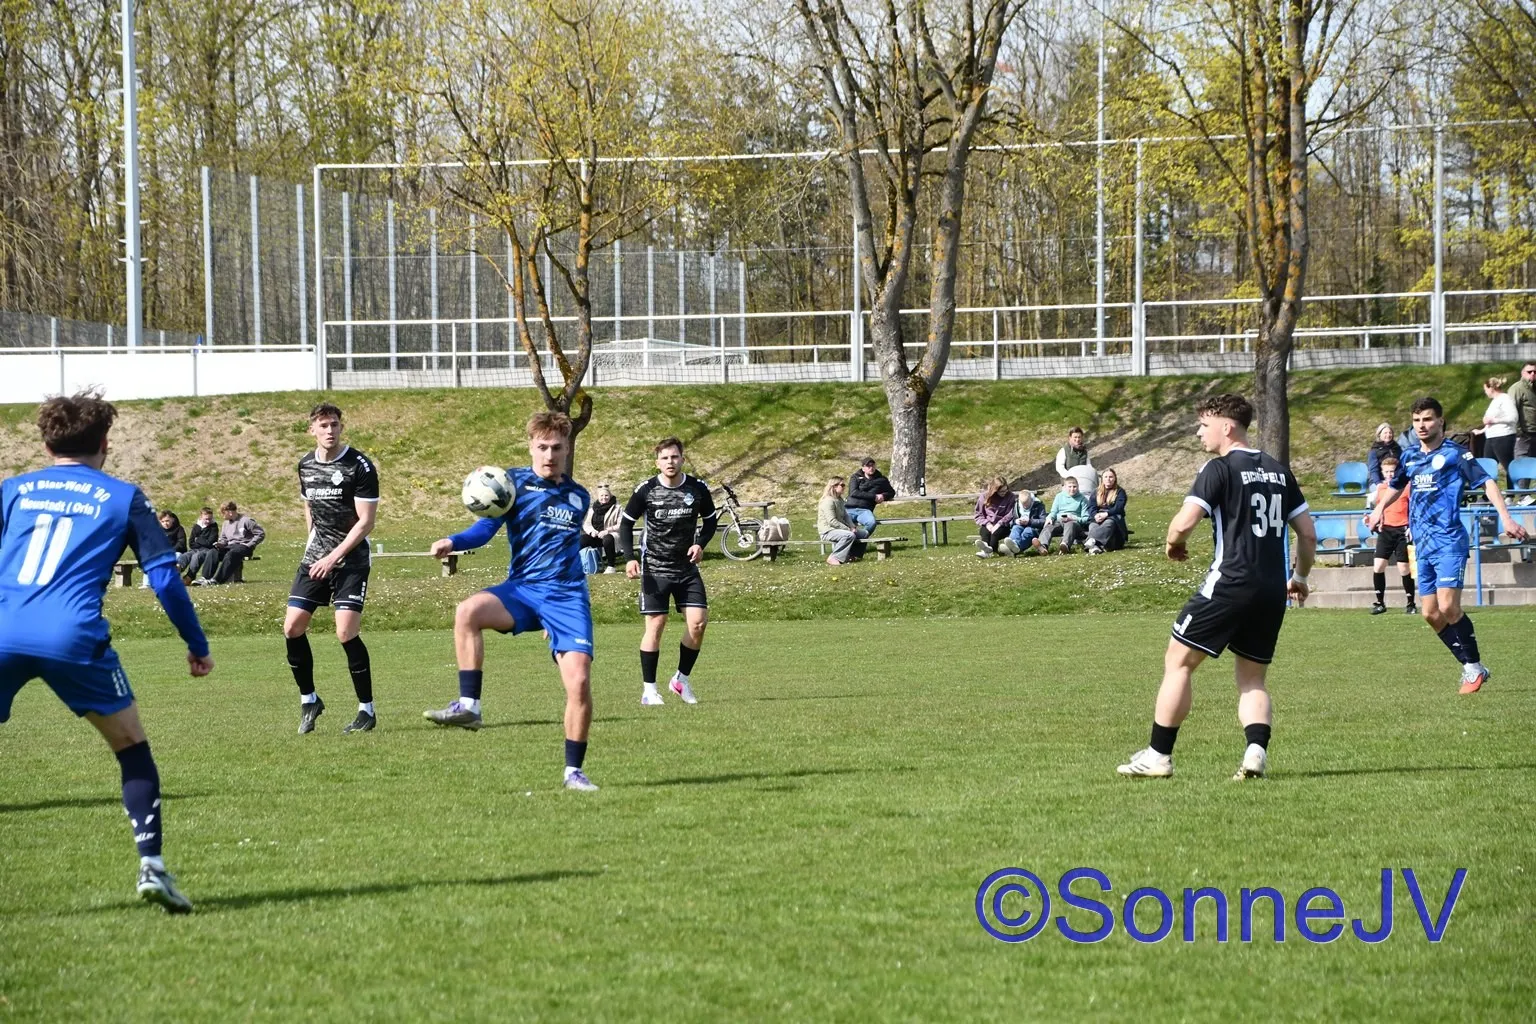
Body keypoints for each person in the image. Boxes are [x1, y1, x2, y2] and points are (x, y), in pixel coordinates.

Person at [0, 393, 213, 912]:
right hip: (72, 635)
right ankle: (152, 866)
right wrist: (197, 644)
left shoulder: (13, 490)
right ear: (105, 443)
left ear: (46, 444)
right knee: (130, 744)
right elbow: (164, 578)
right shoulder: (122, 497)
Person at [1118, 393, 1315, 781]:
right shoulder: (1280, 472)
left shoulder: (1219, 468)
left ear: (1227, 427)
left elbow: (1183, 523)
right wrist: (1300, 578)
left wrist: (1173, 544)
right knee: (1252, 679)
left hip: (1229, 583)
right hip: (1271, 591)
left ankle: (1159, 755)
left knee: (1178, 662)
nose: (1198, 432)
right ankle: (1255, 752)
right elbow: (1308, 535)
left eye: (1204, 425)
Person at [423, 411, 598, 792]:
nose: (549, 455)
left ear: (567, 449)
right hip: (522, 590)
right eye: (542, 447)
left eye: (557, 448)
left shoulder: (579, 496)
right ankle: (469, 705)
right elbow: (485, 529)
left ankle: (574, 772)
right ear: (530, 446)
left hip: (566, 598)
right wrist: (453, 541)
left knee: (580, 683)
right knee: (467, 611)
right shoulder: (512, 484)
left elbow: (565, 548)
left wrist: (551, 622)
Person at [1369, 396, 1528, 694]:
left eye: (1428, 419)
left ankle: (1473, 668)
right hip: (1423, 544)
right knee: (1430, 613)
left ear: (1440, 421)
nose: (1422, 425)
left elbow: (1487, 482)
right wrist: (1379, 509)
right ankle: (1473, 667)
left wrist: (1506, 518)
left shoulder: (1456, 454)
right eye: (1417, 420)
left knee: (1447, 606)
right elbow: (1396, 486)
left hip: (1449, 541)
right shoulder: (1410, 456)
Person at [282, 403, 381, 735]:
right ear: (311, 429)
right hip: (316, 557)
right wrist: (313, 543)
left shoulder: (359, 466)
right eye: (323, 425)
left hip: (351, 560)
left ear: (341, 427)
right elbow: (309, 506)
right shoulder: (305, 465)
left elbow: (366, 522)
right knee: (292, 627)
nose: (329, 430)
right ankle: (309, 700)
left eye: (334, 424)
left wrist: (333, 557)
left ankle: (366, 710)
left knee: (345, 633)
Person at [619, 437, 720, 707]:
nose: (670, 462)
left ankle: (680, 680)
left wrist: (700, 544)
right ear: (657, 463)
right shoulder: (646, 490)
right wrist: (629, 558)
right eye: (665, 458)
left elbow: (710, 521)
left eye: (674, 457)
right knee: (656, 624)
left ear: (682, 459)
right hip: (655, 568)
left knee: (698, 624)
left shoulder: (697, 488)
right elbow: (626, 524)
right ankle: (649, 690)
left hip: (686, 568)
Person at [1365, 454, 1414, 615]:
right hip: (1386, 530)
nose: (1389, 474)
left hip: (1402, 529)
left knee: (1404, 568)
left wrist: (1411, 526)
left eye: (1392, 471)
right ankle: (1380, 602)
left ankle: (1410, 603)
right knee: (1378, 566)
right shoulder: (1381, 489)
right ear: (1382, 472)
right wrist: (1372, 519)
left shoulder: (1406, 486)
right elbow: (1379, 508)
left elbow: (1413, 508)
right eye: (1386, 472)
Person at [1474, 376, 1518, 488]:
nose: (1485, 392)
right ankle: (1488, 493)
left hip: (1503, 436)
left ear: (1491, 388)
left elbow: (1513, 417)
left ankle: (1513, 492)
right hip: (1491, 437)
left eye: (1485, 389)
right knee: (1487, 466)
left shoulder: (1505, 399)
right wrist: (1482, 430)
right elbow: (1489, 423)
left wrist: (1494, 420)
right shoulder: (1494, 401)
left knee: (1508, 465)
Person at [207, 501, 264, 584]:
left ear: (230, 512)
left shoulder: (246, 521)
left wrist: (249, 545)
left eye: (223, 513)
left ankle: (217, 580)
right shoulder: (225, 524)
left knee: (231, 554)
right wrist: (220, 544)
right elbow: (224, 539)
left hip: (243, 547)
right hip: (230, 547)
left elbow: (260, 534)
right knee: (213, 552)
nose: (222, 515)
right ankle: (206, 578)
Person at [818, 477, 867, 566]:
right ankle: (834, 557)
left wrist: (852, 526)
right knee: (849, 535)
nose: (844, 487)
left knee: (864, 534)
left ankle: (851, 556)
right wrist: (848, 529)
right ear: (834, 486)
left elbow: (845, 515)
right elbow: (832, 521)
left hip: (838, 529)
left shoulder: (839, 500)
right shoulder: (828, 501)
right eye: (842, 485)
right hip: (828, 531)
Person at [845, 457, 895, 535]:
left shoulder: (881, 480)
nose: (871, 468)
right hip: (849, 509)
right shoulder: (855, 477)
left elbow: (891, 492)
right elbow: (853, 492)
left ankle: (860, 538)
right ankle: (850, 539)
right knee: (841, 523)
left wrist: (883, 496)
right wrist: (874, 496)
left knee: (871, 523)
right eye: (868, 466)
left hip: (865, 510)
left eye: (873, 465)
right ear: (863, 468)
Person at [1041, 476, 1091, 553]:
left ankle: (1065, 545)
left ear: (1078, 487)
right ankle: (1043, 546)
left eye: (1074, 487)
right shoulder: (1059, 496)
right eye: (1069, 487)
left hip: (1074, 523)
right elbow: (1053, 511)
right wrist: (1050, 517)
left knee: (1070, 524)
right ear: (1065, 487)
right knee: (1049, 526)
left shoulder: (1082, 499)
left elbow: (1085, 518)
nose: (1072, 489)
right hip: (1059, 521)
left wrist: (1073, 518)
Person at [1085, 468, 1129, 554]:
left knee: (1108, 523)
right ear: (1102, 479)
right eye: (1106, 477)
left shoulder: (1120, 492)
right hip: (1098, 517)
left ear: (1115, 478)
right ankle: (1096, 547)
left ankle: (1092, 542)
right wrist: (1095, 515)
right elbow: (1091, 507)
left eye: (1111, 477)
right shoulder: (1096, 492)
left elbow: (1119, 507)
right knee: (1093, 525)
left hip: (1113, 517)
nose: (1108, 479)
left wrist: (1106, 514)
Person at [581, 483, 621, 572]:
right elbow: (586, 524)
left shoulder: (617, 508)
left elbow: (621, 524)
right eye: (601, 495)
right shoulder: (592, 509)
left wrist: (607, 531)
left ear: (610, 496)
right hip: (596, 535)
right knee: (581, 540)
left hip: (611, 535)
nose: (604, 497)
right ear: (598, 497)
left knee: (607, 539)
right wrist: (592, 531)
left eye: (606, 495)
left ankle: (611, 566)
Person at [972, 475, 1015, 558]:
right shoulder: (984, 496)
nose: (1004, 493)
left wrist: (999, 524)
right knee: (985, 532)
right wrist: (987, 524)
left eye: (1005, 490)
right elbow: (978, 514)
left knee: (995, 532)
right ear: (995, 490)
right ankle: (986, 549)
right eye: (1001, 491)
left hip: (1004, 525)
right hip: (988, 523)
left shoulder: (1010, 497)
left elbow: (1010, 514)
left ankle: (989, 551)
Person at [146, 510, 187, 589]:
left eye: (167, 521)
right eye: (163, 521)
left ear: (172, 519)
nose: (165, 523)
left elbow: (181, 543)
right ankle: (147, 584)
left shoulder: (179, 529)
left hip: (176, 552)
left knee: (176, 557)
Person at [1003, 489, 1047, 556]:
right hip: (1020, 525)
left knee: (1027, 531)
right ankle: (1014, 545)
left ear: (1031, 499)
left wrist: (1030, 521)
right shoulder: (1016, 505)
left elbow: (1043, 521)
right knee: (1015, 528)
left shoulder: (1038, 505)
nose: (1025, 506)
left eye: (1026, 504)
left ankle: (1015, 549)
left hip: (1034, 528)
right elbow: (1012, 519)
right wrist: (1016, 521)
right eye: (1023, 504)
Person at [182, 506, 219, 581]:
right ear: (201, 517)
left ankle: (190, 576)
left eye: (210, 519)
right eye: (206, 519)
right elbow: (191, 543)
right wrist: (202, 541)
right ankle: (178, 568)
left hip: (207, 550)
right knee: (186, 555)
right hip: (196, 549)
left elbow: (209, 543)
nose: (208, 521)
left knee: (196, 556)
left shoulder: (214, 527)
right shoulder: (196, 527)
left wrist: (198, 539)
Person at [1509, 361, 1536, 461]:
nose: (1532, 374)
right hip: (1524, 435)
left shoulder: (1534, 388)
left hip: (1534, 432)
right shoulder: (1517, 388)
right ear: (1522, 373)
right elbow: (1511, 411)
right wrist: (1519, 432)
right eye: (1529, 372)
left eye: (1535, 372)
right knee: (1522, 463)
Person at [1364, 422, 1401, 495]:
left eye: (1390, 433)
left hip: (1395, 480)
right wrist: (1379, 483)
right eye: (1385, 433)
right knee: (1385, 491)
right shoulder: (1374, 451)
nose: (1388, 435)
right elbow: (1373, 470)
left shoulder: (1397, 448)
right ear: (1379, 434)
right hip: (1378, 481)